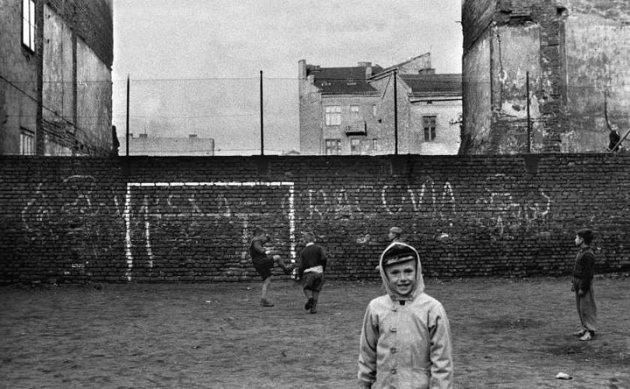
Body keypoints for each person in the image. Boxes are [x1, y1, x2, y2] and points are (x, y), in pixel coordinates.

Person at [358, 242, 453, 388]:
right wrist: (364, 384)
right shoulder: (375, 308)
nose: (403, 278)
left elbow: (442, 361)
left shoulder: (432, 309)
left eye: (408, 271)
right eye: (395, 273)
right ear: (385, 275)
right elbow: (367, 355)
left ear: (417, 271)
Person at [250, 227, 294, 307]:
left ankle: (263, 300)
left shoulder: (257, 240)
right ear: (257, 235)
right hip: (261, 262)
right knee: (277, 257)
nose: (264, 237)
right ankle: (286, 269)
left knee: (267, 280)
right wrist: (263, 250)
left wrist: (267, 238)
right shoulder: (255, 241)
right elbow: (258, 248)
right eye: (263, 236)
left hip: (258, 264)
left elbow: (264, 240)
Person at [571, 228, 597, 341]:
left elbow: (588, 274)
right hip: (578, 282)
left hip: (583, 284)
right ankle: (584, 328)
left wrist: (583, 287)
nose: (575, 239)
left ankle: (590, 331)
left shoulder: (588, 255)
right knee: (581, 308)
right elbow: (578, 269)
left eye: (577, 238)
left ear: (582, 240)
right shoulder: (582, 252)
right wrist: (574, 283)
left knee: (587, 308)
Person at [297, 231, 327, 314]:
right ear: (313, 239)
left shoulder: (303, 252)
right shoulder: (319, 248)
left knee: (306, 288)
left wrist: (300, 276)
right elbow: (324, 258)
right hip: (319, 272)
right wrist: (323, 268)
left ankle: (310, 298)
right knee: (316, 290)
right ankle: (313, 308)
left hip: (309, 273)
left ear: (305, 240)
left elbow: (301, 265)